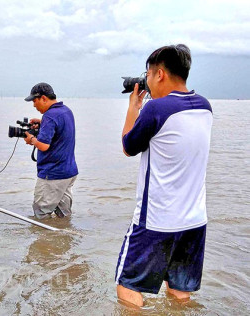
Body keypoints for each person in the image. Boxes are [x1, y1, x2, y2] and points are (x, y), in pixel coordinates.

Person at [115, 44, 213, 307]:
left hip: (156, 222)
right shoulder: (205, 107)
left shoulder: (155, 110)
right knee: (180, 290)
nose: (145, 80)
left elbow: (127, 147)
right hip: (194, 221)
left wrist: (134, 107)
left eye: (147, 74)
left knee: (127, 288)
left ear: (160, 74)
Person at [23, 82, 78, 219]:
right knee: (63, 215)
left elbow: (43, 145)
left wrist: (31, 139)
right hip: (68, 172)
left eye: (35, 101)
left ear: (43, 98)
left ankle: (44, 240)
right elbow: (60, 131)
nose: (34, 105)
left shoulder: (50, 116)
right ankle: (63, 237)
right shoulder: (66, 111)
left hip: (53, 174)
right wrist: (42, 123)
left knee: (41, 213)